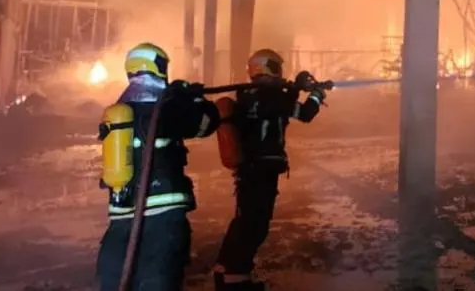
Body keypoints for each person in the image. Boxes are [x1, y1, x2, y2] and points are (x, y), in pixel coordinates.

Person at [96, 42, 219, 291]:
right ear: (159, 66)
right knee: (158, 280)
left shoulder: (118, 110)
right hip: (163, 214)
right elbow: (208, 123)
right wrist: (194, 98)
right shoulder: (165, 107)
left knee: (116, 277)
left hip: (122, 215)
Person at [213, 48, 328, 291]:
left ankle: (224, 269)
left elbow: (275, 108)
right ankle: (236, 279)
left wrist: (295, 88)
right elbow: (304, 113)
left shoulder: (249, 94)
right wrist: (316, 95)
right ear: (268, 67)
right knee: (256, 224)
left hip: (249, 167)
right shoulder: (271, 96)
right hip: (263, 167)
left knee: (243, 219)